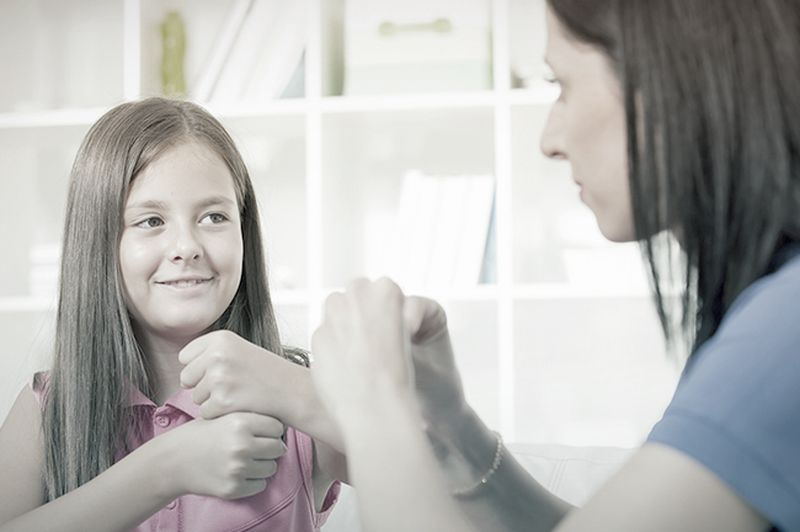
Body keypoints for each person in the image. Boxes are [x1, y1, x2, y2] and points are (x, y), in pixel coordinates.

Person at [309, 1, 800, 531]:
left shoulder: (785, 328)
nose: (549, 141)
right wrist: (454, 431)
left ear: (671, 83)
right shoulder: (768, 312)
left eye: (561, 84)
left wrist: (375, 406)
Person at [0, 97, 346, 531]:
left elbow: (448, 479)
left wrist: (296, 391)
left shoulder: (303, 404)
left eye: (214, 216)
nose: (187, 246)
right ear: (99, 243)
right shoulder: (46, 412)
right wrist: (164, 467)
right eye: (150, 221)